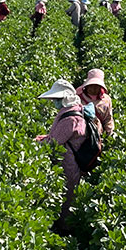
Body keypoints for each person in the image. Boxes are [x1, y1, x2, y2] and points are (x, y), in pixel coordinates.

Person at [35, 79, 88, 224]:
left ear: (64, 99)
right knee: (68, 192)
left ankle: (64, 226)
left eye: (56, 99)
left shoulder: (70, 118)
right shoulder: (75, 110)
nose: (54, 102)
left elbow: (55, 142)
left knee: (67, 194)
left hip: (68, 162)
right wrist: (45, 137)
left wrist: (40, 142)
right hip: (71, 160)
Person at [76, 69, 114, 136]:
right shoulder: (78, 98)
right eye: (91, 85)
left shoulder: (106, 100)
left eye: (97, 86)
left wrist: (108, 133)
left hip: (98, 134)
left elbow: (108, 118)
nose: (93, 88)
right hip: (80, 133)